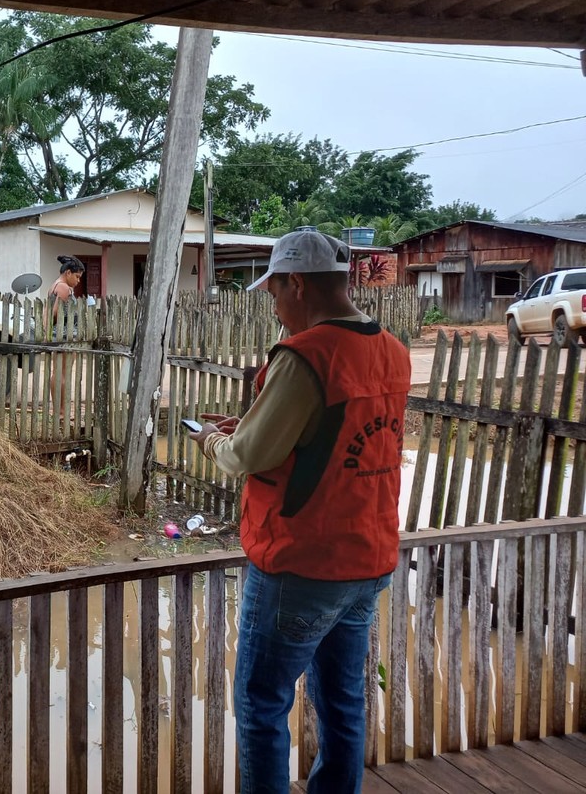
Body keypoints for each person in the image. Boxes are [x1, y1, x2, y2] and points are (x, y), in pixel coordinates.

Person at [185, 229, 411, 793]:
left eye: (275, 291)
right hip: (368, 560)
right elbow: (332, 439)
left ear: (298, 284)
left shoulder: (309, 354)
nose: (274, 303)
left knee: (262, 704)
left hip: (302, 563)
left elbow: (249, 455)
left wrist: (215, 440)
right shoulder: (391, 349)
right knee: (342, 702)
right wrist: (258, 430)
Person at [47, 254, 85, 423]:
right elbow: (55, 312)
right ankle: (61, 412)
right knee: (63, 374)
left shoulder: (54, 285)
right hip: (65, 336)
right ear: (68, 273)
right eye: (77, 277)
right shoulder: (64, 288)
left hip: (59, 335)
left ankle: (59, 410)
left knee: (59, 373)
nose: (78, 281)